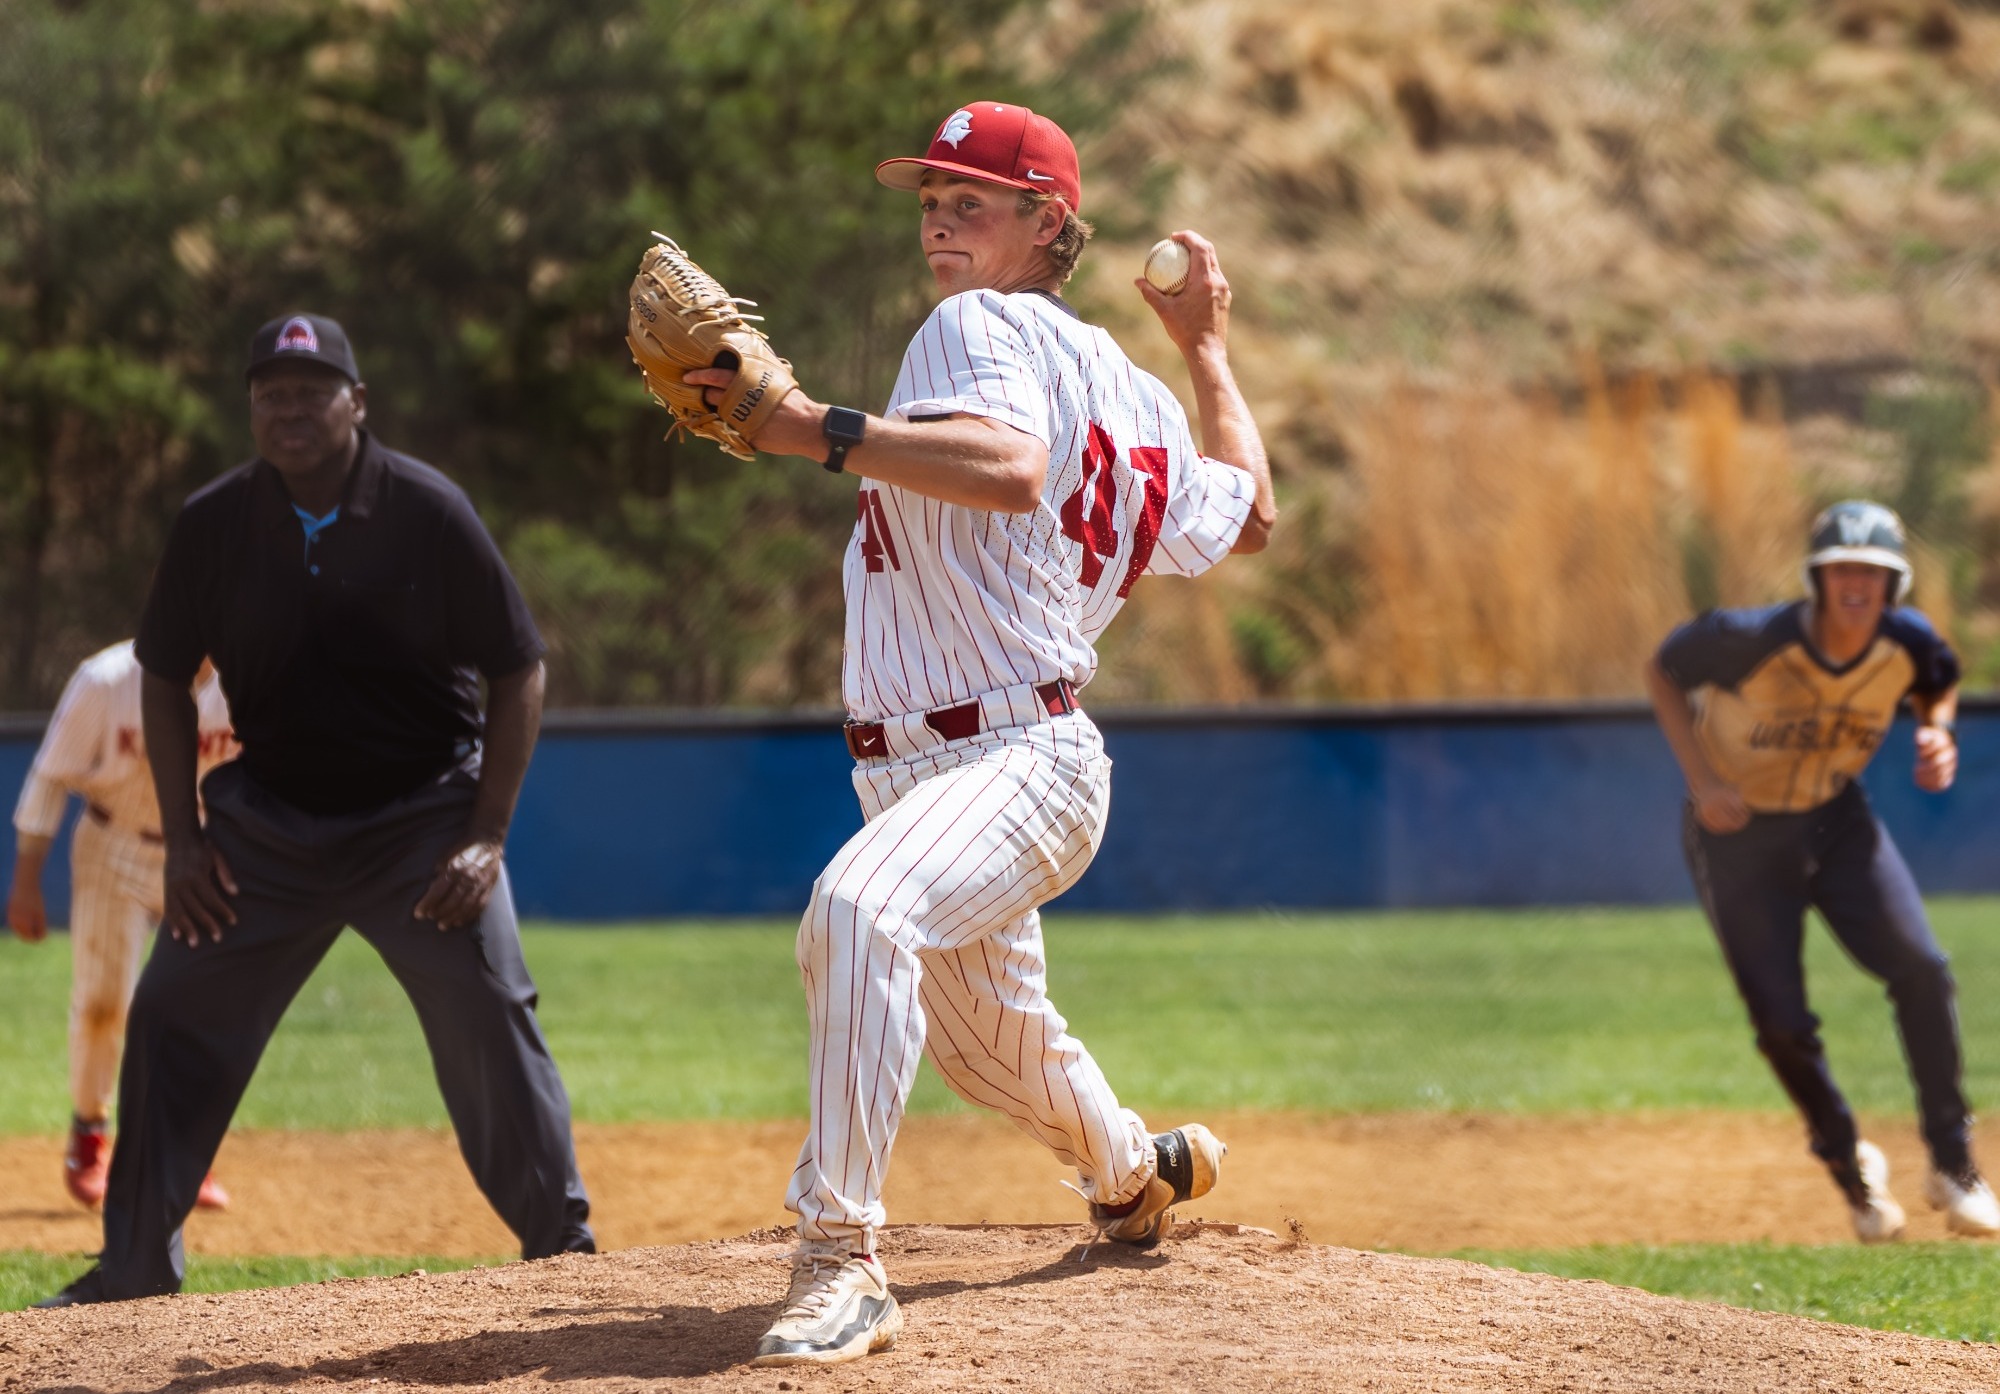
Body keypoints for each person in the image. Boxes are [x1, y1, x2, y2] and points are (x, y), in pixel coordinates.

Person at [685, 101, 1277, 1366]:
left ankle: (837, 1257)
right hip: (949, 766)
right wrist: (1206, 353)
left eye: (972, 199)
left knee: (856, 913)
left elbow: (1004, 467)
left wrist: (808, 427)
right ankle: (1134, 1170)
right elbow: (1251, 516)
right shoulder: (1130, 391)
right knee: (991, 1050)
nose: (939, 220)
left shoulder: (975, 325)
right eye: (930, 197)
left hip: (1014, 750)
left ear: (1046, 223)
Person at [36, 313, 595, 1307]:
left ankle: (561, 1246)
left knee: (488, 1010)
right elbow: (163, 675)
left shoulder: (427, 509)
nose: (288, 406)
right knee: (171, 1009)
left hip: (419, 821)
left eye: (311, 388)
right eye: (270, 391)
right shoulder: (213, 522)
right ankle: (133, 1262)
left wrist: (484, 833)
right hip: (270, 824)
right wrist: (186, 840)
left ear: (358, 403)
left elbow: (520, 667)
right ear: (252, 407)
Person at [1645, 500, 1999, 1242]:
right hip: (1738, 837)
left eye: (1874, 571)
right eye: (1843, 567)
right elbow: (1664, 668)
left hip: (1838, 823)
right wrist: (1702, 778)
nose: (1857, 583)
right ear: (1817, 577)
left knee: (1923, 969)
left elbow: (1938, 678)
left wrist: (1936, 733)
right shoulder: (1747, 639)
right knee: (1781, 1024)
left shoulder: (1905, 640)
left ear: (1892, 584)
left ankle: (1953, 1163)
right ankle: (1850, 1166)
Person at [8, 641, 235, 1212]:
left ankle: (187, 1152)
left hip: (206, 852)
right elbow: (50, 775)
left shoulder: (247, 679)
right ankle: (89, 1138)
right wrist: (27, 879)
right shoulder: (106, 679)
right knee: (105, 1001)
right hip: (115, 845)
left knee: (205, 1007)